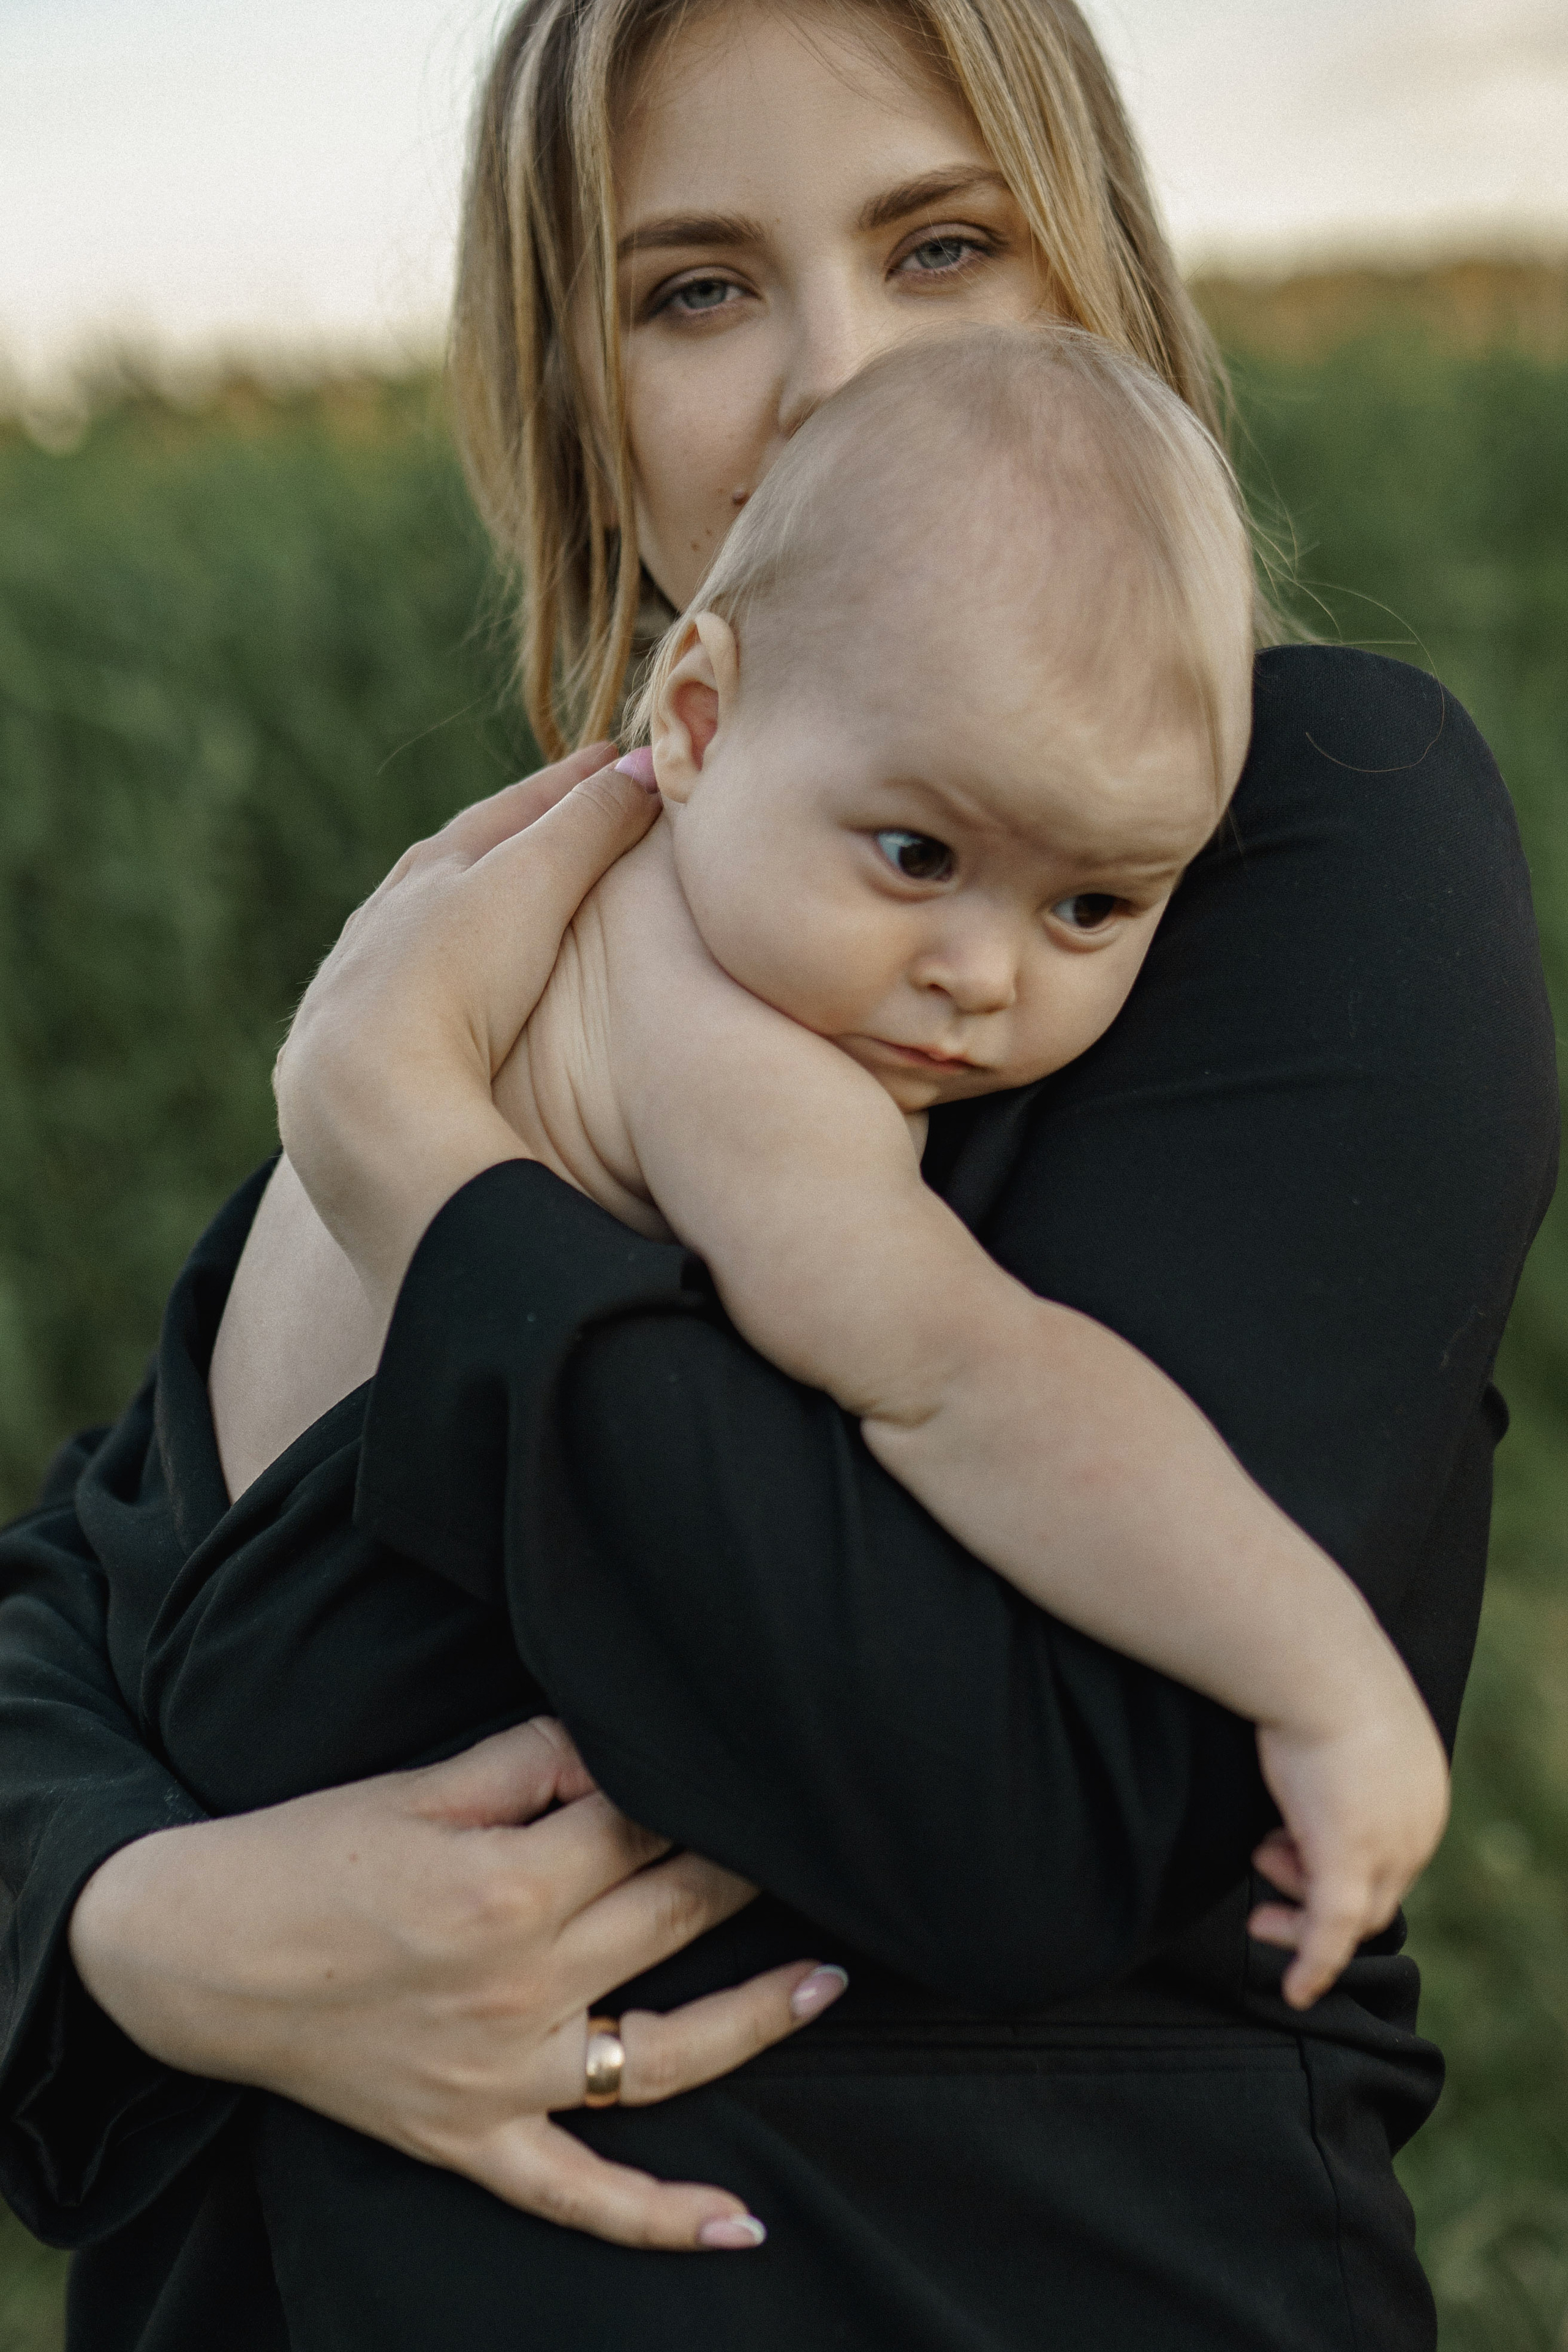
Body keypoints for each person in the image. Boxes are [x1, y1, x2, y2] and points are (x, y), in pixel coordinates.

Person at [0, 1, 1556, 2345]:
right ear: (587, 404)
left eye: (942, 240)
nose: (836, 370)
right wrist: (165, 1931)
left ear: (1096, 286)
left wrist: (423, 1165)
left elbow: (1016, 1817)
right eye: (696, 289)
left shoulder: (1268, 850)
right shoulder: (522, 953)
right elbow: (67, 1620)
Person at [234, 319, 1447, 2018]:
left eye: (1092, 904)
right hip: (343, 1654)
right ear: (702, 716)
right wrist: (1319, 1667)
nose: (983, 971)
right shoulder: (736, 1049)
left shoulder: (602, 908)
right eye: (916, 852)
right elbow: (961, 1379)